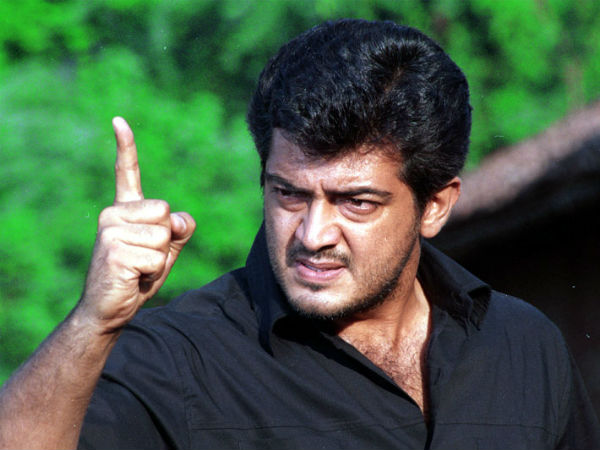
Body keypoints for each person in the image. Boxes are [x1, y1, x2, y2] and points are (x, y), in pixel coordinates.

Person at [0, 18, 598, 450]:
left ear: (435, 206)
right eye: (289, 194)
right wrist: (93, 322)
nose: (313, 234)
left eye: (356, 202)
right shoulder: (175, 361)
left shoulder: (523, 344)